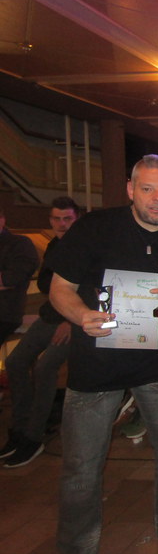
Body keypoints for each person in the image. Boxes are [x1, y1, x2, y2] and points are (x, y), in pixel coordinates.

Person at [49, 154, 158, 554]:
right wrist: (82, 316)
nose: (157, 199)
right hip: (94, 365)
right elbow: (59, 289)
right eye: (148, 189)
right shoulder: (94, 228)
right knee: (81, 468)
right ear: (131, 189)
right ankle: (77, 547)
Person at [2, 197, 79, 468]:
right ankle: (20, 429)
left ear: (76, 219)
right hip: (51, 315)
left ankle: (33, 436)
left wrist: (71, 321)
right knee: (15, 362)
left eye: (67, 219)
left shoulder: (84, 246)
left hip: (72, 319)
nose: (61, 224)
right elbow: (47, 283)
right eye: (57, 219)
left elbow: (90, 289)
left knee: (45, 368)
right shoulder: (54, 246)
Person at [0, 204, 39, 372]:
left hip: (5, 313)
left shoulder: (19, 244)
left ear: (2, 220)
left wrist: (5, 281)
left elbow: (11, 279)